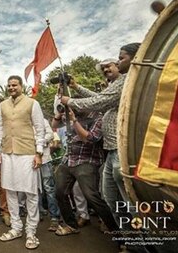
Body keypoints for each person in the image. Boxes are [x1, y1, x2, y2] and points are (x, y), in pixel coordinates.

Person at [60, 46, 140, 224]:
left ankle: (147, 244)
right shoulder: (115, 86)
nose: (106, 70)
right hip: (111, 151)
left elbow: (98, 101)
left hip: (121, 151)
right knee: (112, 200)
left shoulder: (125, 80)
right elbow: (101, 97)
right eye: (103, 69)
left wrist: (70, 101)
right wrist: (76, 87)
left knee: (129, 202)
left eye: (112, 64)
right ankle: (131, 244)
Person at [0, 75, 45, 250]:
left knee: (30, 193)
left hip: (27, 153)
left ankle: (31, 231)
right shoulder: (2, 106)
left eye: (14, 85)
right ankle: (16, 228)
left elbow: (40, 129)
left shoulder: (32, 103)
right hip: (8, 153)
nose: (11, 88)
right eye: (9, 85)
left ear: (21, 86)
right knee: (10, 191)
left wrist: (39, 153)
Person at [51, 107, 118, 236]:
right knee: (59, 192)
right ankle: (71, 225)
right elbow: (54, 125)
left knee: (92, 197)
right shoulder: (72, 113)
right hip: (69, 159)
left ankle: (119, 234)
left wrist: (74, 121)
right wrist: (59, 115)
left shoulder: (97, 117)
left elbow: (89, 138)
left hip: (87, 160)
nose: (74, 109)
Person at [39, 119, 62, 231]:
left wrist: (38, 143)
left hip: (44, 160)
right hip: (30, 161)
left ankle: (54, 217)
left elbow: (50, 135)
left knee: (49, 189)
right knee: (34, 189)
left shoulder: (43, 121)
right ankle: (37, 214)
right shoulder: (24, 120)